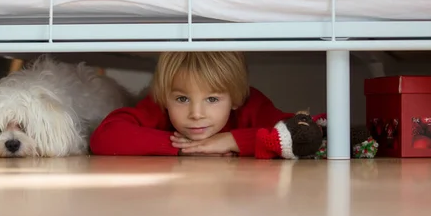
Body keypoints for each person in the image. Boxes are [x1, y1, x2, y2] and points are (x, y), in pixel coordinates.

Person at [89, 51, 293, 157]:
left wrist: (231, 140)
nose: (196, 114)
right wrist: (185, 147)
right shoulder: (160, 104)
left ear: (235, 98)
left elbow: (297, 132)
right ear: (166, 97)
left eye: (212, 99)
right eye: (182, 99)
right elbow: (104, 137)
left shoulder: (250, 103)